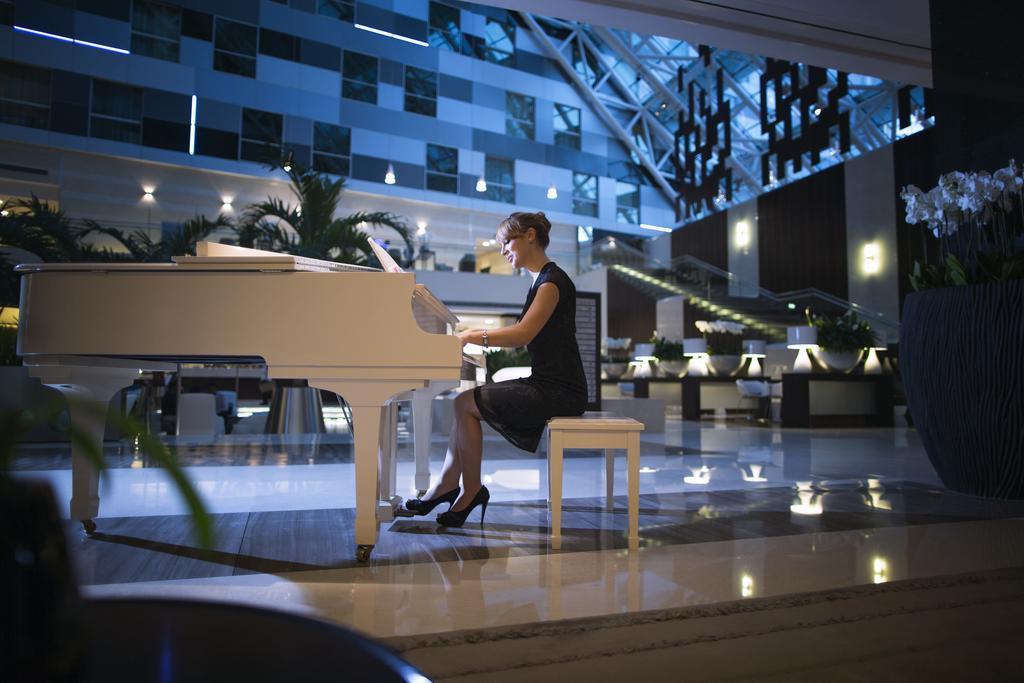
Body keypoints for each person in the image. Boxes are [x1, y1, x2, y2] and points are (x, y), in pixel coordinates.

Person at [403, 211, 588, 527]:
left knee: (464, 403)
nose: (502, 250)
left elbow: (522, 335)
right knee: (463, 405)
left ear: (529, 236)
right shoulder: (539, 281)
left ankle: (467, 489)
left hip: (561, 389)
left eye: (506, 242)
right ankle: (450, 485)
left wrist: (471, 336)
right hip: (548, 382)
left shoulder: (552, 282)